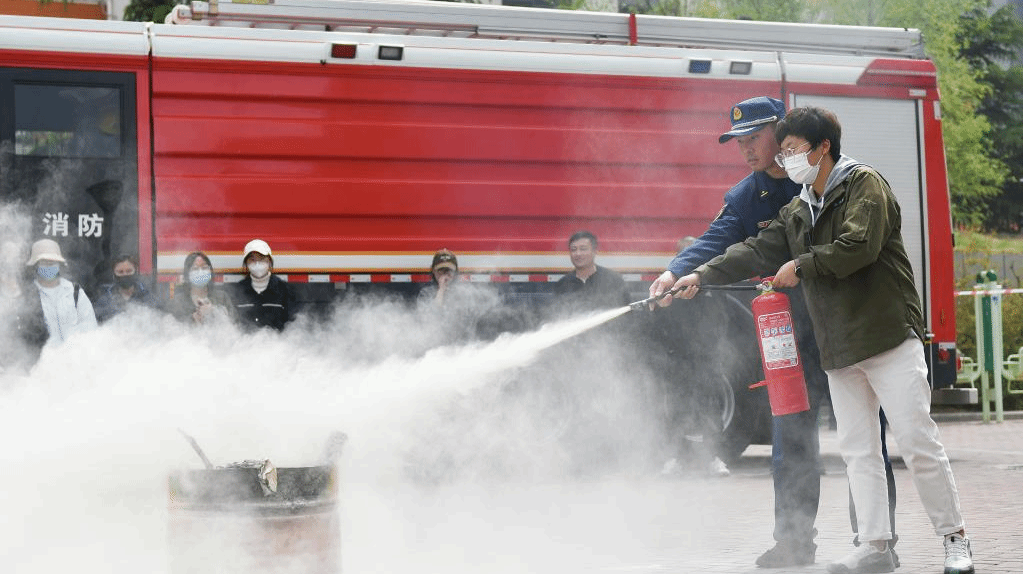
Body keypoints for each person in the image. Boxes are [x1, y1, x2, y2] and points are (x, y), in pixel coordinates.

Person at [667, 106, 973, 574]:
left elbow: (858, 246)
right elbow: (754, 249)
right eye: (785, 152)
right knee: (859, 450)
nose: (786, 160)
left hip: (886, 338)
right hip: (839, 349)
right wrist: (696, 275)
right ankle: (874, 546)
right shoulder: (798, 208)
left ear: (822, 146)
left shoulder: (863, 184)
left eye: (791, 150)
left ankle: (954, 540)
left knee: (917, 441)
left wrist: (800, 265)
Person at [648, 96, 898, 568]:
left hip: (848, 332)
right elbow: (717, 241)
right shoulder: (746, 197)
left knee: (864, 441)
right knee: (791, 439)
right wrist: (676, 271)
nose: (746, 149)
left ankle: (877, 543)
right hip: (792, 337)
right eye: (738, 141)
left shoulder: (836, 182)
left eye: (754, 138)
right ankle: (793, 541)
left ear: (784, 135)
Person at [23, 238, 98, 347]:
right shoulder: (29, 296)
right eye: (44, 263)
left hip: (76, 358)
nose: (49, 266)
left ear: (59, 264)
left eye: (52, 262)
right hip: (43, 360)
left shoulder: (75, 292)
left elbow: (91, 328)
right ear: (36, 265)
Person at [553, 230, 630, 311]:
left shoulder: (613, 280)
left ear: (594, 251)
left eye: (583, 249)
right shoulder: (562, 285)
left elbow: (626, 312)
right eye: (573, 249)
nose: (578, 254)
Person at [232, 239, 298, 332]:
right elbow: (232, 324)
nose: (257, 263)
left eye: (262, 259)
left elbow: (292, 326)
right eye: (252, 259)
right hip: (244, 345)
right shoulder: (236, 291)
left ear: (269, 261)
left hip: (278, 345)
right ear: (246, 264)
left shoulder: (285, 290)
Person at [167, 251, 237, 326]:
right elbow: (172, 328)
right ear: (187, 274)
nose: (200, 272)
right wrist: (194, 319)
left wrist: (214, 312)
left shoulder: (222, 297)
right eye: (195, 269)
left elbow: (235, 323)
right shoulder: (178, 301)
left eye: (204, 268)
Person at [92, 254, 157, 323]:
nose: (125, 275)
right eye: (120, 272)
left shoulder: (148, 298)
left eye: (129, 271)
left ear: (136, 271)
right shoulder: (104, 301)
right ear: (114, 274)